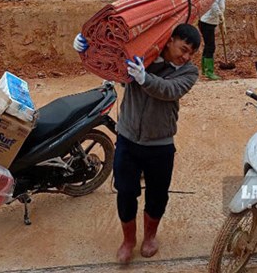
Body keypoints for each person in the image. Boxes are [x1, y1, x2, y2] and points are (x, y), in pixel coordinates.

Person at [73, 24, 201, 264]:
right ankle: (128, 240)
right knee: (126, 192)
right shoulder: (144, 55)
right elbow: (111, 62)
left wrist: (144, 78)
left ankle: (150, 236)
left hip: (160, 144)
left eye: (190, 53)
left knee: (157, 195)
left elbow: (169, 90)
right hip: (128, 139)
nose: (185, 57)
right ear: (170, 40)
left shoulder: (189, 72)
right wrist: (86, 48)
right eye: (183, 49)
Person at [198, 0, 229, 80]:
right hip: (207, 23)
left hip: (206, 21)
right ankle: (209, 72)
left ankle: (204, 69)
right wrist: (220, 15)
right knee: (210, 46)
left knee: (208, 45)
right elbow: (213, 3)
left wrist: (220, 19)